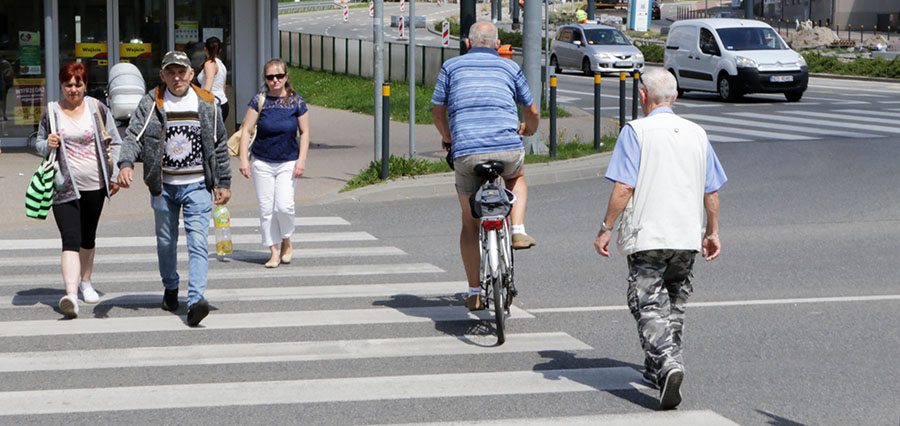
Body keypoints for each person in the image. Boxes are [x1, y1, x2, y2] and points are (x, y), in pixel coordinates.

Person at [593, 68, 726, 410]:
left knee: (647, 302)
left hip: (649, 234)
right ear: (676, 97)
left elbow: (624, 186)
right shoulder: (698, 134)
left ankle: (667, 364)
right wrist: (712, 232)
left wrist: (606, 226)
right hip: (686, 235)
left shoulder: (637, 131)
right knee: (674, 302)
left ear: (642, 96)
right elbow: (711, 191)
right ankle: (662, 369)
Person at [117, 51, 231, 327]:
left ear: (192, 74)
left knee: (197, 244)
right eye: (171, 72)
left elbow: (219, 145)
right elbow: (133, 135)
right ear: (163, 75)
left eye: (182, 72)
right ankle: (171, 286)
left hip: (197, 186)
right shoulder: (152, 102)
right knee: (166, 242)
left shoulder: (206, 103)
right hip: (163, 186)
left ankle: (195, 301)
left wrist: (224, 182)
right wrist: (126, 163)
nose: (177, 77)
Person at [431, 22, 540, 311]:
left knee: (470, 223)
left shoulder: (451, 68)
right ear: (497, 44)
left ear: (467, 43)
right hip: (506, 148)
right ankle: (517, 229)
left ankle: (474, 292)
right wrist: (529, 128)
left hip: (466, 151)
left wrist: (448, 138)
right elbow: (532, 110)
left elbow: (438, 111)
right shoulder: (509, 67)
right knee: (516, 177)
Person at [35, 62, 121, 318]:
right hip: (63, 186)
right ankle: (71, 294)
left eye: (78, 84)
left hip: (94, 184)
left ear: (85, 85)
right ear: (61, 85)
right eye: (68, 84)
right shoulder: (51, 112)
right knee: (70, 239)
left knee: (88, 237)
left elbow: (115, 141)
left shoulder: (97, 108)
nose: (73, 89)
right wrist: (46, 144)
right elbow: (38, 142)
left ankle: (86, 282)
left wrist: (114, 174)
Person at [237, 59, 310, 268]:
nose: (275, 80)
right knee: (266, 208)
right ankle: (274, 251)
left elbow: (304, 133)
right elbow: (246, 130)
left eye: (279, 76)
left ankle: (286, 238)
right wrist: (244, 159)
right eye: (270, 77)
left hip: (288, 160)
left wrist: (302, 160)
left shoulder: (296, 101)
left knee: (284, 206)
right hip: (262, 161)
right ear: (265, 79)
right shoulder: (259, 100)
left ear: (286, 77)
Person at [198, 36, 228, 121]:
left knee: (209, 133)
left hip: (213, 104)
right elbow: (223, 87)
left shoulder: (210, 64)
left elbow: (208, 86)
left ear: (205, 49)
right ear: (220, 50)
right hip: (222, 102)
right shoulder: (221, 65)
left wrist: (202, 104)